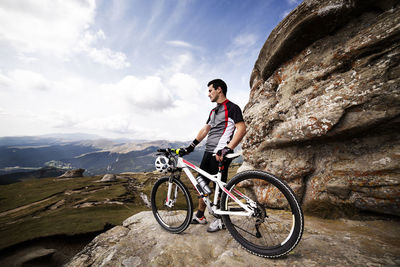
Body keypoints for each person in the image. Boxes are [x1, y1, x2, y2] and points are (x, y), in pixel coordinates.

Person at [179, 78, 246, 232]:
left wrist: (228, 148)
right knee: (201, 183)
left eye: (210, 90)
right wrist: (191, 146)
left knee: (219, 188)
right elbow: (205, 130)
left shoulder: (232, 107)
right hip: (208, 152)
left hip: (221, 154)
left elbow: (241, 129)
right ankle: (200, 215)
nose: (208, 94)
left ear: (219, 90)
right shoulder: (213, 111)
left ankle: (221, 220)